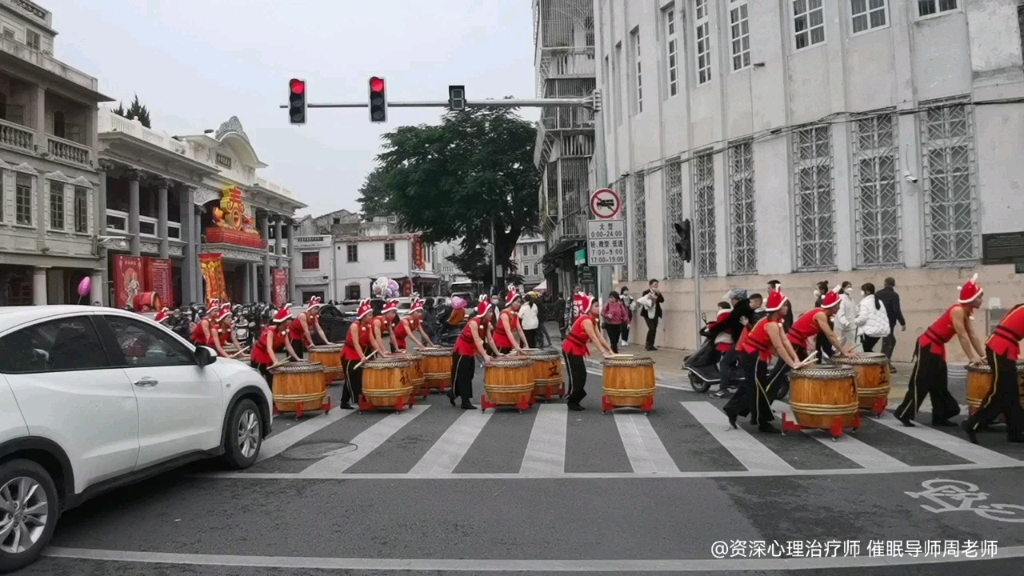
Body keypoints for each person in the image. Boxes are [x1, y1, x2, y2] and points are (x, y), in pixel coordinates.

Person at [894, 274, 985, 428]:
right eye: (980, 297)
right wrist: (972, 357)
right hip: (928, 344)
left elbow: (972, 335)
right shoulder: (957, 310)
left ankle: (940, 415)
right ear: (972, 298)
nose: (982, 300)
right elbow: (962, 336)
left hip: (937, 346)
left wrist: (982, 356)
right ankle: (904, 413)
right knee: (922, 381)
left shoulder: (966, 312)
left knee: (939, 382)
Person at [723, 289, 803, 433]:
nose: (787, 308)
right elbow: (779, 346)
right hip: (752, 356)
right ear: (777, 309)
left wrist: (795, 359)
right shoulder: (771, 324)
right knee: (757, 389)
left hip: (756, 356)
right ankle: (762, 422)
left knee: (752, 387)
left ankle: (733, 410)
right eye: (784, 305)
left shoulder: (775, 322)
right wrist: (792, 364)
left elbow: (785, 341)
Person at [964, 303, 1024, 443]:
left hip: (1002, 349)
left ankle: (1015, 432)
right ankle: (973, 423)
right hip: (1000, 349)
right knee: (1000, 393)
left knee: (1011, 393)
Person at [561, 296, 615, 411]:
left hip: (578, 348)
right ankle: (572, 400)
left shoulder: (593, 320)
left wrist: (610, 350)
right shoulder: (586, 320)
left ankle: (575, 399)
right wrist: (603, 352)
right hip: (570, 348)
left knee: (582, 375)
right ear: (589, 308)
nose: (598, 308)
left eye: (598, 305)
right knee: (575, 375)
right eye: (596, 306)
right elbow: (594, 338)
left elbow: (600, 337)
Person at [705, 289, 756, 399]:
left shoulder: (740, 310)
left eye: (732, 299)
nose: (731, 301)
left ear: (738, 299)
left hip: (742, 342)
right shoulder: (747, 308)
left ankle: (723, 389)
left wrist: (712, 329)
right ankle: (735, 381)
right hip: (747, 341)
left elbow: (726, 323)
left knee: (724, 362)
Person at [449, 300, 496, 410]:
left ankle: (452, 393)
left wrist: (497, 353)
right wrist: (485, 356)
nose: (492, 314)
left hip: (470, 349)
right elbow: (477, 340)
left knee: (469, 375)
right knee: (462, 376)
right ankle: (465, 402)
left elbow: (490, 339)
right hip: (461, 349)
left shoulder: (486, 323)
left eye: (492, 311)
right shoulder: (474, 323)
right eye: (489, 311)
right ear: (484, 312)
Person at [250, 306, 300, 387]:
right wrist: (275, 361)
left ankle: (272, 398)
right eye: (289, 319)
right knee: (258, 379)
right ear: (283, 321)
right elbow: (269, 348)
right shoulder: (271, 331)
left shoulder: (285, 330)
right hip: (259, 355)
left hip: (269, 357)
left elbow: (288, 346)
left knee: (271, 380)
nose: (291, 320)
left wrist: (297, 358)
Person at [340, 300, 375, 410]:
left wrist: (383, 352)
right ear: (363, 316)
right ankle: (358, 400)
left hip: (359, 352)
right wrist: (362, 356)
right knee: (352, 377)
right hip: (350, 353)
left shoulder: (368, 326)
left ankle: (344, 401)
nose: (371, 317)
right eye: (369, 315)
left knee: (354, 377)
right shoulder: (355, 326)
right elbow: (355, 343)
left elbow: (373, 341)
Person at [875, 277, 906, 371]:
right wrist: (902, 323)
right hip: (889, 321)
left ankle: (884, 361)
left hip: (880, 320)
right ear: (893, 284)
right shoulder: (894, 295)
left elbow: (875, 307)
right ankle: (884, 363)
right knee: (888, 342)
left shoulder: (878, 294)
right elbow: (896, 310)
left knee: (890, 341)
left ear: (884, 283)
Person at [853, 283, 890, 353]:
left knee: (864, 351)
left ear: (867, 292)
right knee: (867, 350)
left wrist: (854, 321)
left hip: (869, 332)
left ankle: (875, 362)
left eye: (862, 290)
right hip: (879, 331)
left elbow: (862, 319)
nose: (861, 292)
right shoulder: (879, 302)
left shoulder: (865, 303)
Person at [494, 289, 529, 354]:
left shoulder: (515, 314)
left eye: (520, 302)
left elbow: (519, 330)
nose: (519, 304)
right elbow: (508, 331)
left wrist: (526, 344)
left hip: (508, 340)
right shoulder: (504, 313)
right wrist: (516, 346)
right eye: (517, 302)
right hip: (500, 341)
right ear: (511, 301)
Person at [812, 281, 835, 362]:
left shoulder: (819, 301)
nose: (815, 290)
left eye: (816, 289)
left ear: (822, 290)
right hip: (828, 325)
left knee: (820, 347)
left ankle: (820, 364)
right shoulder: (826, 298)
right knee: (827, 346)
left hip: (822, 327)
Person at [641, 279, 665, 351]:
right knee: (651, 328)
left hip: (655, 312)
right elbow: (644, 300)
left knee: (654, 329)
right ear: (650, 285)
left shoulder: (657, 293)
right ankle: (648, 343)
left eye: (657, 285)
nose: (656, 286)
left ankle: (652, 345)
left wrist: (659, 293)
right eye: (655, 284)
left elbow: (662, 300)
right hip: (647, 313)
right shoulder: (646, 292)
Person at [834, 281, 858, 348]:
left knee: (841, 341)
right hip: (847, 325)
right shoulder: (842, 298)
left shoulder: (851, 298)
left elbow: (855, 309)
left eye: (850, 286)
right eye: (848, 287)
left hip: (850, 324)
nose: (850, 288)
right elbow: (840, 312)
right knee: (855, 342)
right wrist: (845, 322)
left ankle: (832, 352)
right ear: (844, 288)